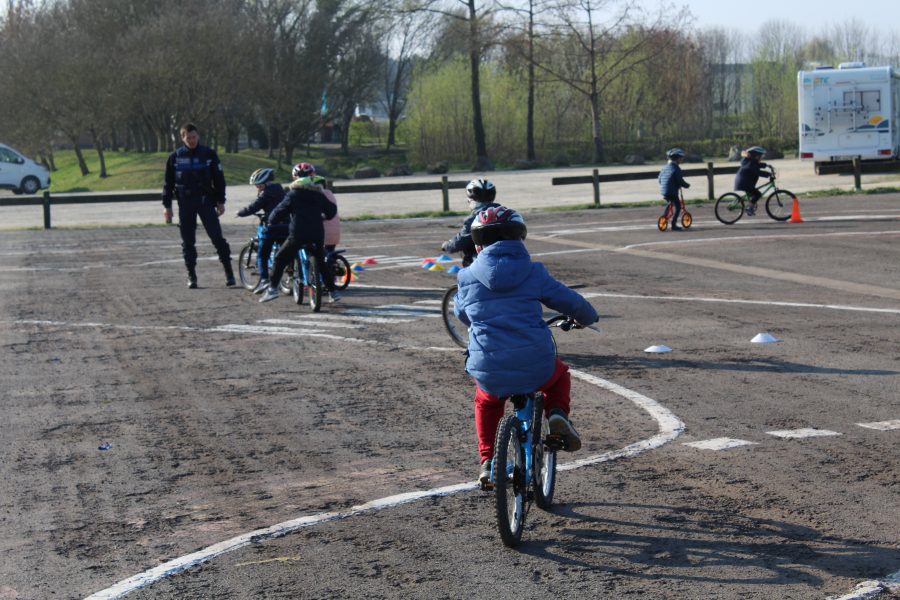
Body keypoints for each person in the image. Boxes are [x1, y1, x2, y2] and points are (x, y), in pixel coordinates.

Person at [453, 206, 599, 488]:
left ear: (478, 243)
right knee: (559, 377)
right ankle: (557, 414)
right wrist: (588, 317)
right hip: (535, 361)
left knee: (487, 400)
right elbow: (569, 301)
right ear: (519, 239)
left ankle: (489, 461)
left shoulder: (467, 277)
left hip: (489, 364)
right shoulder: (533, 272)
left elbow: (462, 314)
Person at [162, 122, 234, 288]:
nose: (192, 140)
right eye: (189, 137)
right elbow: (168, 184)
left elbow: (219, 179)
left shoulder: (209, 154)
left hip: (205, 202)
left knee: (217, 238)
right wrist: (167, 207)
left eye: (194, 137)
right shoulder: (175, 158)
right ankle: (191, 275)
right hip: (186, 204)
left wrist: (221, 201)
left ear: (198, 136)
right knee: (188, 242)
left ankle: (229, 272)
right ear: (183, 138)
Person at [259, 163, 338, 303]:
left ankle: (272, 290)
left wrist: (272, 221)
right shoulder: (318, 193)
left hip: (298, 234)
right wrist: (323, 217)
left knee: (280, 258)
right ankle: (333, 292)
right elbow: (331, 210)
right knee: (321, 262)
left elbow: (279, 210)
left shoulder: (293, 194)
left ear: (294, 178)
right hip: (317, 233)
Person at [286, 163, 341, 293]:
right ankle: (330, 282)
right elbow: (331, 211)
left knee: (303, 256)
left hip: (313, 231)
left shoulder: (304, 194)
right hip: (334, 234)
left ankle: (308, 281)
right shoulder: (328, 194)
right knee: (324, 257)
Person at [235, 167, 289, 293]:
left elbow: (254, 207)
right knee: (284, 253)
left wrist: (241, 212)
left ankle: (264, 279)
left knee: (262, 254)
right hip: (287, 225)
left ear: (265, 183)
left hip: (273, 226)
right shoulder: (282, 191)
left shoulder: (266, 194)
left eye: (258, 186)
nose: (257, 188)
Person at [441, 179, 501, 267]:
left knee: (464, 277)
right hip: (509, 259)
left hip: (483, 263)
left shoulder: (475, 218)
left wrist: (447, 245)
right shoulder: (504, 212)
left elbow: (460, 242)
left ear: (472, 199)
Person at [658, 148, 691, 231]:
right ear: (677, 158)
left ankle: (665, 217)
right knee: (678, 207)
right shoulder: (676, 168)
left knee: (670, 203)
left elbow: (659, 178)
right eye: (681, 158)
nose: (682, 159)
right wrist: (686, 185)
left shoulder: (665, 167)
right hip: (672, 191)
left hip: (664, 191)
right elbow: (680, 180)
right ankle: (673, 225)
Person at [734, 146, 772, 216]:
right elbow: (757, 172)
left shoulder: (750, 162)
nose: (761, 158)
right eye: (760, 156)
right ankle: (749, 208)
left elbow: (758, 165)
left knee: (753, 193)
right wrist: (769, 174)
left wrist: (766, 165)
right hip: (744, 183)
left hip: (744, 182)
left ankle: (750, 205)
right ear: (755, 156)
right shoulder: (751, 164)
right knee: (757, 194)